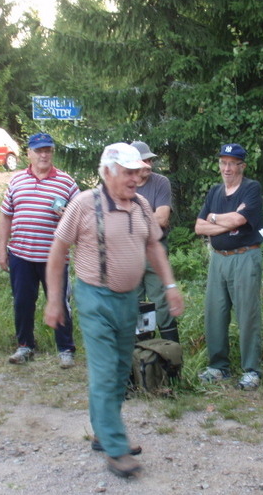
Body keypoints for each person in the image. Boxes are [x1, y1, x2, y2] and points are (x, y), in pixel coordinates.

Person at [44, 142, 184, 478]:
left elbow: (154, 247)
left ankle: (101, 432)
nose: (136, 178)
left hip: (127, 300)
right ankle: (116, 447)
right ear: (107, 172)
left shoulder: (141, 206)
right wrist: (54, 300)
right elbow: (57, 252)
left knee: (121, 369)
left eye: (138, 172)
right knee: (106, 370)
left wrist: (170, 286)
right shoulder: (83, 204)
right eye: (128, 172)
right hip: (95, 298)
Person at [0, 132, 79, 368]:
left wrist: (68, 216)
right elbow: (5, 216)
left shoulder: (66, 182)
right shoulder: (16, 181)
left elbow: (81, 217)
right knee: (22, 302)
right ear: (29, 154)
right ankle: (25, 346)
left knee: (59, 301)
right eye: (39, 150)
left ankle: (65, 349)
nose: (44, 155)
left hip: (54, 257)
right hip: (20, 254)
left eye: (48, 150)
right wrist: (2, 250)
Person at [194, 143, 263, 391]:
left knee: (247, 314)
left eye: (232, 163)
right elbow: (199, 227)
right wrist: (225, 222)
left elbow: (240, 219)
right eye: (223, 163)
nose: (227, 168)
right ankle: (218, 367)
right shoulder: (215, 192)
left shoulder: (251, 188)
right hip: (218, 258)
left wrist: (214, 219)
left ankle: (251, 370)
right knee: (215, 312)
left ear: (242, 166)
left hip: (244, 256)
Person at [130, 140, 179, 342]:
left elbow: (162, 218)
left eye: (150, 160)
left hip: (154, 249)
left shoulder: (160, 182)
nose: (149, 164)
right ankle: (145, 352)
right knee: (135, 303)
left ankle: (171, 351)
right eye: (144, 161)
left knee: (162, 301)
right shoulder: (123, 184)